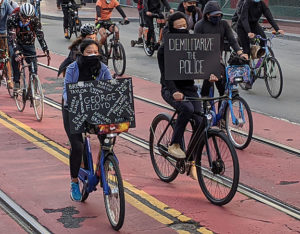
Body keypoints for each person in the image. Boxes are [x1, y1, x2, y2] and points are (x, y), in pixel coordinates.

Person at [62, 39, 112, 201]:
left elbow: (111, 88)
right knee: (77, 146)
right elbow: (66, 92)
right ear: (81, 53)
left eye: (95, 52)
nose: (93, 55)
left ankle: (101, 172)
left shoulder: (103, 68)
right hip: (73, 110)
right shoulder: (72, 68)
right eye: (89, 52)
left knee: (109, 139)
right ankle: (74, 182)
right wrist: (76, 101)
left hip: (95, 110)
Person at [158, 12, 202, 160]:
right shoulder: (164, 49)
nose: (183, 29)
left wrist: (212, 74)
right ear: (171, 29)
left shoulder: (192, 43)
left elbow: (203, 63)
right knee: (187, 108)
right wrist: (174, 90)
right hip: (170, 88)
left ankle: (192, 157)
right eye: (179, 27)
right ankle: (174, 144)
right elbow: (165, 75)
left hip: (189, 88)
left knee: (200, 120)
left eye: (185, 26)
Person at [194, 1, 248, 97]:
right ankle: (204, 98)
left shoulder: (223, 24)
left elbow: (232, 40)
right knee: (211, 75)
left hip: (218, 59)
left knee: (223, 86)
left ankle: (222, 108)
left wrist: (240, 53)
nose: (217, 17)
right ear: (207, 15)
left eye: (219, 15)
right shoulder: (199, 25)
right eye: (214, 15)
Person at [7, 3, 49, 90]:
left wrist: (45, 49)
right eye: (24, 17)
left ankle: (33, 86)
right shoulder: (13, 19)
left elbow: (40, 35)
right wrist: (17, 51)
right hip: (16, 42)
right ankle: (16, 81)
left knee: (33, 64)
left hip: (29, 43)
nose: (26, 20)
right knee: (15, 57)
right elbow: (12, 38)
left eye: (28, 18)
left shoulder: (34, 20)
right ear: (20, 14)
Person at [0, 0, 14, 88]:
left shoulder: (5, 4)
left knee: (6, 56)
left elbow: (12, 14)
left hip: (3, 33)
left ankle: (9, 80)